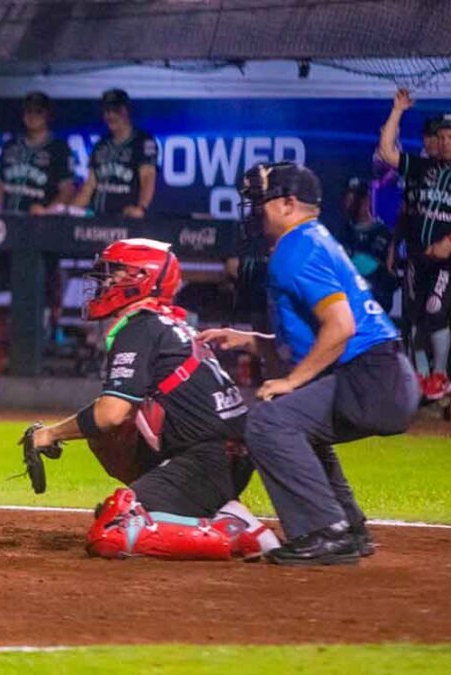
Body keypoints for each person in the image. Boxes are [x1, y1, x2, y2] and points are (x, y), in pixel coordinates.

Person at [199, 162, 418, 566]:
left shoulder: (295, 248)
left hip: (369, 377)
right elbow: (318, 336)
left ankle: (324, 531)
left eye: (261, 201)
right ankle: (347, 529)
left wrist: (292, 381)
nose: (255, 211)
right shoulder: (311, 239)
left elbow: (341, 326)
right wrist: (250, 341)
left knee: (268, 421)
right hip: (381, 372)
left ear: (288, 203)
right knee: (294, 421)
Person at [19, 238, 277, 561]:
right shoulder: (167, 323)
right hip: (226, 456)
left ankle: (233, 532)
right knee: (109, 436)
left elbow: (110, 414)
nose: (106, 283)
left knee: (113, 530)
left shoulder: (140, 327)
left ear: (142, 278)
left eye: (115, 273)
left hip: (206, 461)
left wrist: (51, 434)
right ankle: (212, 510)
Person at [378, 92, 451, 401]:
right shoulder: (422, 168)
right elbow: (386, 153)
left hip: (445, 262)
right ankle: (421, 377)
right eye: (442, 137)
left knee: (435, 310)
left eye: (450, 138)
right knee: (415, 317)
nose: (445, 143)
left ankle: (441, 373)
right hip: (418, 257)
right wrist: (397, 111)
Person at [72, 88, 158, 218]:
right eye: (107, 111)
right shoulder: (101, 144)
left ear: (127, 111)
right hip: (97, 219)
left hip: (126, 219)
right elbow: (89, 186)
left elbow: (148, 177)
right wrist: (69, 211)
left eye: (116, 111)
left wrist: (141, 208)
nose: (111, 116)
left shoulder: (143, 142)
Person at [0, 91, 75, 215]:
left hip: (39, 220)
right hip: (7, 217)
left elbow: (67, 190)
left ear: (47, 115)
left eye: (38, 112)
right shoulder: (10, 145)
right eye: (28, 111)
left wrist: (48, 212)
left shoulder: (59, 148)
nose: (32, 116)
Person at [340, 177, 395, 314]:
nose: (349, 203)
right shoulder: (343, 233)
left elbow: (374, 267)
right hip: (348, 306)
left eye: (354, 198)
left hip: (374, 305)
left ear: (366, 200)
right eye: (347, 198)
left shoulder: (382, 233)